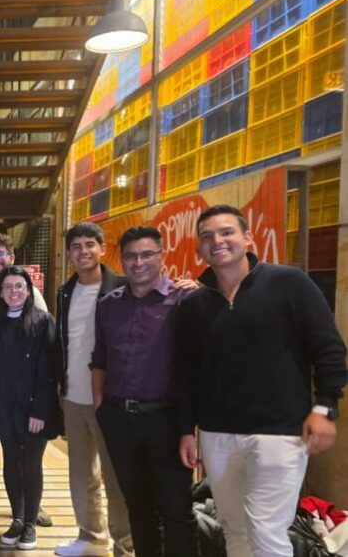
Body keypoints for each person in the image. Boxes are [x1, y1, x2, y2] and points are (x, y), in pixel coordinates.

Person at [176, 205, 347, 557]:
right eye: (207, 236)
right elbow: (187, 373)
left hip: (280, 432)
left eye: (227, 232)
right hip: (218, 433)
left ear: (248, 238)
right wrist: (185, 429)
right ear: (199, 248)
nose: (217, 241)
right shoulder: (194, 305)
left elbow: (329, 348)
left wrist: (325, 407)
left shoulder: (289, 283)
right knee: (234, 529)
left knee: (267, 531)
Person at [91, 226, 197, 557]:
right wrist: (100, 407)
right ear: (121, 260)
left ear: (162, 256)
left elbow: (196, 363)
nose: (138, 263)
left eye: (147, 254)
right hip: (119, 419)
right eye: (131, 256)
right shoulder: (109, 305)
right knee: (138, 506)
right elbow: (100, 358)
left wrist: (190, 427)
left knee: (176, 508)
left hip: (167, 420)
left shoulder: (185, 300)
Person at [53, 222, 133, 557]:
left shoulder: (124, 288)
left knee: (116, 476)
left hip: (110, 397)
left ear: (102, 248)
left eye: (89, 244)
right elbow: (64, 342)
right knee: (82, 474)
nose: (83, 251)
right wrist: (61, 384)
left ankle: (125, 544)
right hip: (74, 397)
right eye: (76, 246)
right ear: (69, 253)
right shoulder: (65, 292)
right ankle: (90, 537)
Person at [0, 233, 52, 527]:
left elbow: (43, 345)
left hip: (25, 389)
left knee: (27, 453)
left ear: (11, 257)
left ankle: (29, 508)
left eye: (1, 253)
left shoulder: (30, 295)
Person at [0, 265, 61, 551]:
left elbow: (50, 370)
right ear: (0, 292)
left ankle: (30, 523)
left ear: (29, 291)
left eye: (19, 286)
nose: (13, 291)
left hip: (33, 410)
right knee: (10, 463)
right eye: (8, 287)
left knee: (30, 464)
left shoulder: (43, 322)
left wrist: (40, 410)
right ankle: (17, 518)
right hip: (3, 407)